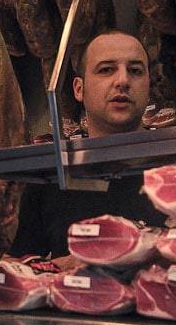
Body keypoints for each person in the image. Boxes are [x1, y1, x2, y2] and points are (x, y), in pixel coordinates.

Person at [10, 30, 163, 259]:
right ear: (78, 89)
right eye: (106, 70)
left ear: (148, 85)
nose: (122, 81)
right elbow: (20, 266)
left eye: (135, 71)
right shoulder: (51, 178)